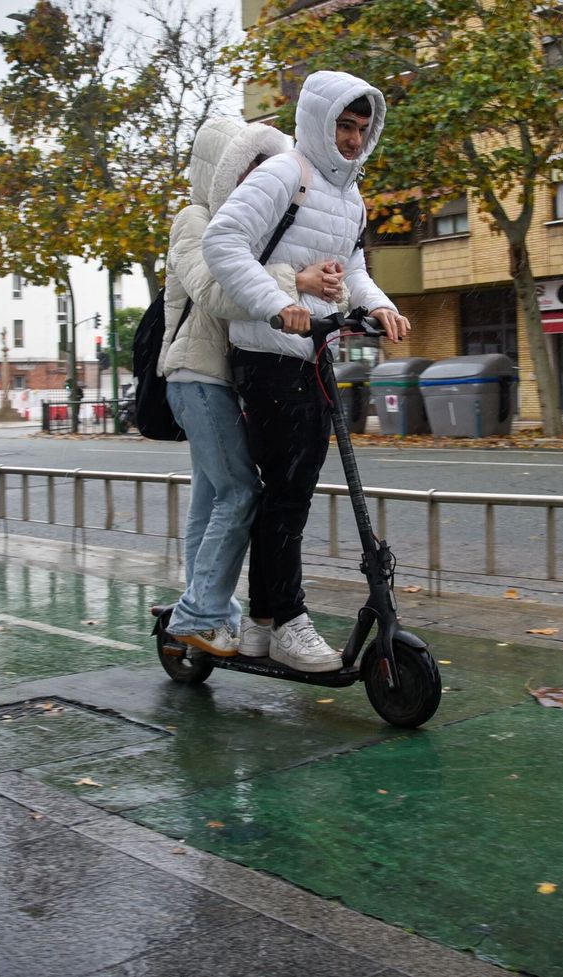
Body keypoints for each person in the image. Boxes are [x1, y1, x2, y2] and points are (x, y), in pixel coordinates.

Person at [203, 70, 410, 673]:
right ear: (319, 123)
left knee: (288, 493)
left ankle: (265, 625)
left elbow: (353, 271)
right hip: (267, 357)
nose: (352, 139)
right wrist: (277, 304)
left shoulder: (352, 198)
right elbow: (223, 242)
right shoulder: (284, 174)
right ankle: (287, 619)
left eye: (361, 129)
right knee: (288, 493)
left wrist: (380, 306)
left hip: (313, 357)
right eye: (343, 126)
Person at [159, 117, 349, 658]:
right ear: (220, 170)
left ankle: (200, 606)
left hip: (219, 379)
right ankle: (200, 613)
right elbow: (216, 292)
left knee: (210, 497)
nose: (254, 180)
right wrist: (297, 283)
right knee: (242, 490)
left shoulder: (243, 225)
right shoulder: (194, 221)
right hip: (197, 377)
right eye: (245, 169)